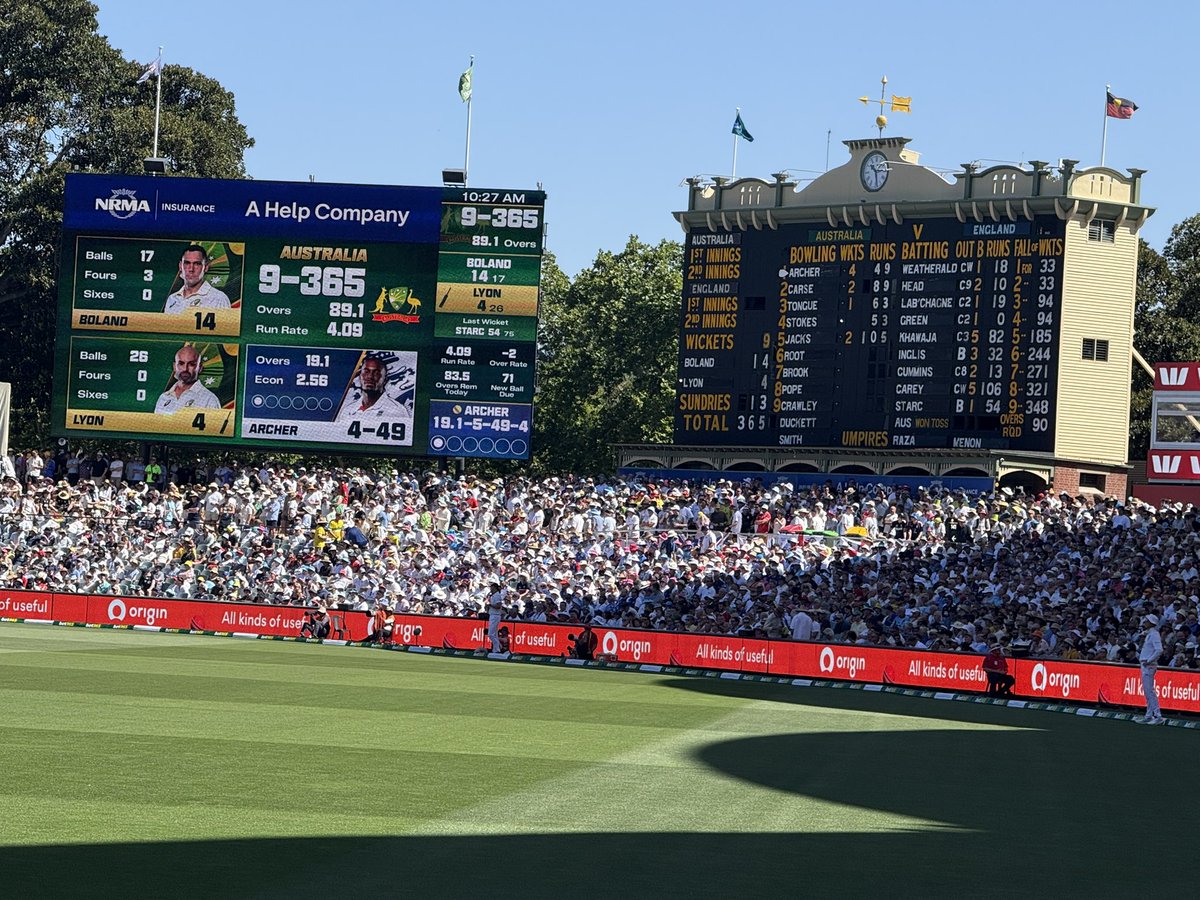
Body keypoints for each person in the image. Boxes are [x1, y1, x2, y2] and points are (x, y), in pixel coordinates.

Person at [334, 355, 412, 423]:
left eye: (376, 373)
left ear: (385, 380)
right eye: (366, 372)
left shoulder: (397, 410)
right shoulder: (347, 410)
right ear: (360, 377)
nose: (370, 377)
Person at [163, 245, 231, 314]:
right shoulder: (172, 299)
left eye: (197, 264)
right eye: (187, 263)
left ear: (206, 267)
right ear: (180, 266)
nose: (191, 269)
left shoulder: (218, 298)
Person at [155, 345, 221, 414]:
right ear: (174, 366)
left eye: (191, 364)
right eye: (181, 363)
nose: (185, 369)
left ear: (200, 368)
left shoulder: (209, 399)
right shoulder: (163, 398)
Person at [1135, 614, 1165, 724]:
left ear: (1151, 623)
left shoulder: (1154, 635)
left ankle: (1158, 716)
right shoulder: (1150, 634)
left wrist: (1149, 660)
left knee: (1150, 691)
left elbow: (1159, 650)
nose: (1144, 622)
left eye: (1146, 621)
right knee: (1147, 692)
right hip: (1145, 665)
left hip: (1148, 666)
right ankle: (1149, 715)